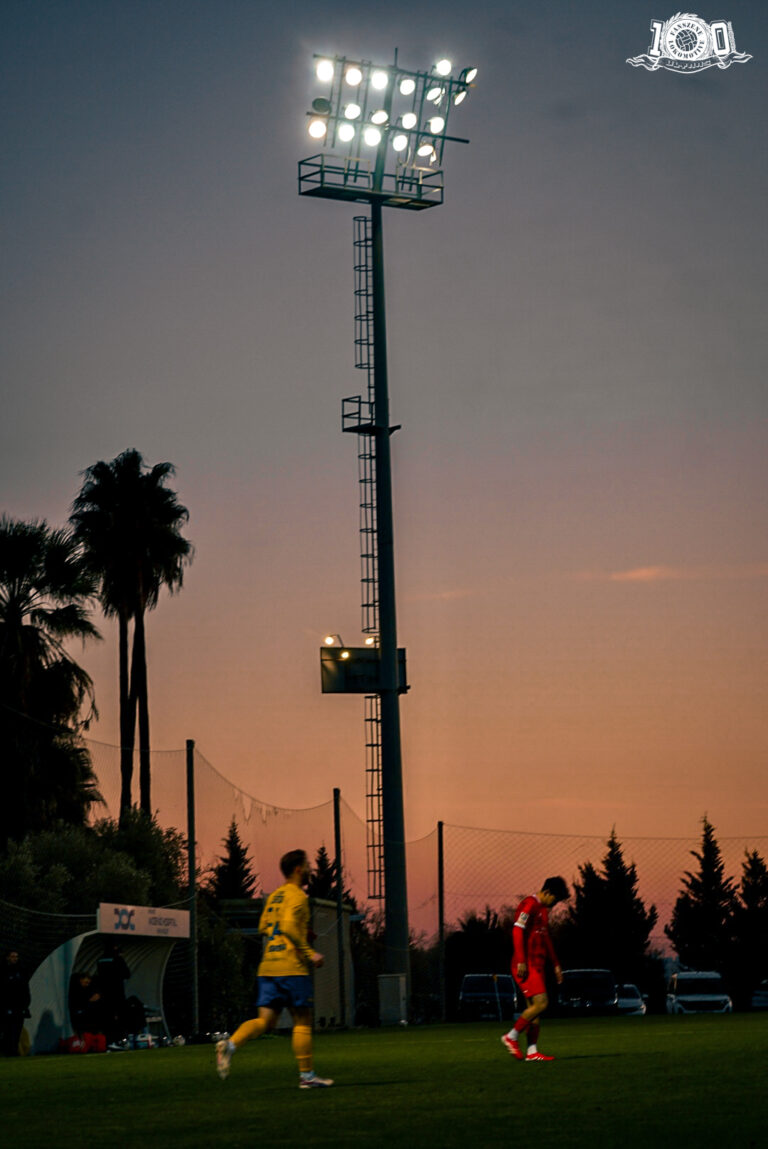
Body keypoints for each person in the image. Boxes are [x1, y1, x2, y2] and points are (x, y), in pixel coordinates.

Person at [215, 848, 333, 1089]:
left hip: (268, 966)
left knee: (265, 1022)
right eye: (307, 865)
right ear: (298, 869)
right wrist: (309, 952)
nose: (310, 869)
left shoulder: (275, 896)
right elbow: (288, 926)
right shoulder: (297, 896)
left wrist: (296, 932)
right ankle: (307, 1077)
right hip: (291, 968)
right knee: (302, 1020)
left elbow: (264, 927)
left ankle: (230, 1045)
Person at [501, 876, 570, 1062]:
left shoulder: (542, 911)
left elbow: (546, 938)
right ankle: (511, 1036)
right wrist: (521, 960)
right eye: (554, 899)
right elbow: (517, 930)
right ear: (547, 892)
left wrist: (555, 964)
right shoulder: (529, 904)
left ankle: (532, 1051)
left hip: (537, 965)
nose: (554, 904)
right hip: (526, 964)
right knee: (542, 1003)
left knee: (535, 1010)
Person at [96, 939, 130, 1045]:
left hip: (105, 993)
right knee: (121, 1016)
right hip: (117, 992)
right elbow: (127, 974)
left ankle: (109, 1040)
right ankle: (121, 1039)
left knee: (108, 1017)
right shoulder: (118, 959)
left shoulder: (100, 960)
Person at [0, 949, 31, 1057]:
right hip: (7, 1007)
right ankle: (8, 1051)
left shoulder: (21, 971)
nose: (15, 959)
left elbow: (25, 989)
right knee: (8, 1030)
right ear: (7, 957)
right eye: (13, 956)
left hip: (19, 1006)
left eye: (16, 957)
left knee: (17, 1030)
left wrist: (26, 1004)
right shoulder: (3, 971)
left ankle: (14, 1051)